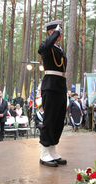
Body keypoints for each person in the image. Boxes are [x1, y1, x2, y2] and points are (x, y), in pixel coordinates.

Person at [37, 20, 67, 167]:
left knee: (59, 119)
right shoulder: (46, 46)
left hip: (60, 84)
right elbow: (44, 47)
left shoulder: (59, 49)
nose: (60, 33)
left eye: (60, 31)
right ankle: (44, 152)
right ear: (50, 32)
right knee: (49, 119)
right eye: (57, 31)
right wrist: (54, 33)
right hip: (50, 85)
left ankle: (52, 149)